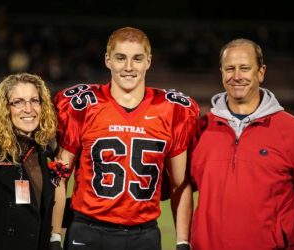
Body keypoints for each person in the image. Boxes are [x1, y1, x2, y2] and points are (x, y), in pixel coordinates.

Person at [50, 27, 199, 250]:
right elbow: (59, 176)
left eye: (137, 58)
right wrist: (54, 237)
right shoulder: (83, 105)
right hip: (87, 230)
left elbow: (180, 184)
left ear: (148, 61)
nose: (129, 67)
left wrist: (182, 242)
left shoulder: (172, 109)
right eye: (121, 58)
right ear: (108, 60)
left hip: (144, 234)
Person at [190, 38, 294, 249]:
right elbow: (179, 188)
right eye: (230, 68)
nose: (237, 76)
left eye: (245, 68)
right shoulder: (200, 129)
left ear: (261, 72)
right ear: (221, 72)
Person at [0, 73, 58, 250]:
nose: (28, 109)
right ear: (4, 108)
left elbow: (42, 211)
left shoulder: (43, 153)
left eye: (34, 101)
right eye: (18, 102)